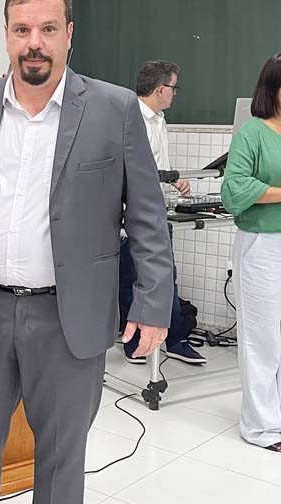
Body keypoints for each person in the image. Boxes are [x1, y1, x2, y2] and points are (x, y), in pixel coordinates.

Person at [0, 0, 174, 504]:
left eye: (48, 29)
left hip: (70, 317)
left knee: (60, 464)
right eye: (22, 29)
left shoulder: (114, 108)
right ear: (6, 34)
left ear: (69, 34)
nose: (35, 43)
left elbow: (147, 216)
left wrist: (152, 303)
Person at [118, 60, 207, 365]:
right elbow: (129, 169)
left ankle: (175, 338)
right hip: (133, 216)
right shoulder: (129, 118)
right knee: (133, 277)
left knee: (165, 276)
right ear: (159, 89)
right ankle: (132, 342)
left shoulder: (159, 119)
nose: (175, 93)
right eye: (173, 87)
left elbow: (156, 165)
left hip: (157, 210)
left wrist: (173, 179)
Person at [221, 51, 281, 453]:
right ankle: (262, 428)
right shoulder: (252, 134)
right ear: (273, 89)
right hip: (263, 247)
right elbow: (234, 189)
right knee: (263, 340)